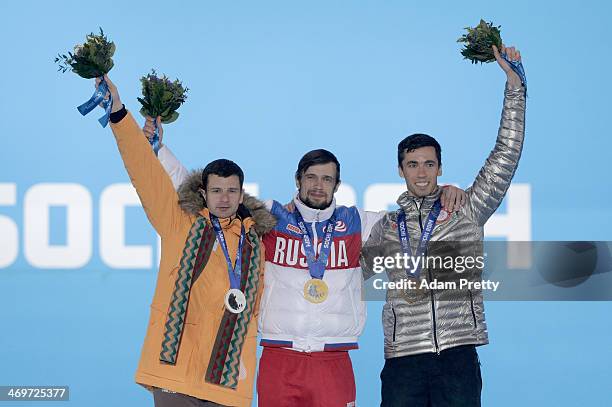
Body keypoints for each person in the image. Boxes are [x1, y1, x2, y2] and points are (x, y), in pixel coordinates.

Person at [148, 124, 466, 406]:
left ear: (337, 185)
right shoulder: (270, 216)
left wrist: (447, 192)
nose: (318, 185)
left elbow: (416, 219)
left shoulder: (358, 222)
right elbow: (210, 192)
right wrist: (159, 150)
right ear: (298, 179)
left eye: (327, 179)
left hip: (334, 360)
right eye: (311, 177)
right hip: (279, 357)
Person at [95, 75, 276, 407]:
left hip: (228, 381)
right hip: (174, 376)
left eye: (231, 190)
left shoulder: (256, 242)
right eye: (217, 190)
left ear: (242, 194)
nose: (224, 198)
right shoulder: (179, 223)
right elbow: (143, 170)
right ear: (204, 193)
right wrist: (119, 113)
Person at [360, 44, 526, 406]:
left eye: (429, 164)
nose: (421, 172)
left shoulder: (466, 208)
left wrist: (514, 85)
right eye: (413, 164)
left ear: (440, 167)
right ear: (400, 170)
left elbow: (505, 155)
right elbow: (348, 272)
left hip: (457, 356)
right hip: (403, 358)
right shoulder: (387, 227)